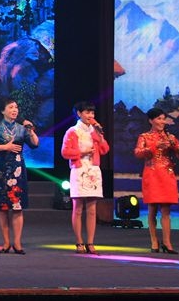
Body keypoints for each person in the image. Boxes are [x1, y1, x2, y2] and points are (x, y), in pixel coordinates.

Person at [0, 97, 39, 255]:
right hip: (1, 170)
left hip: (18, 170)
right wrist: (5, 147)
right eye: (11, 107)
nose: (14, 110)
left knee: (17, 207)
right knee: (3, 208)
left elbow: (35, 144)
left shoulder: (22, 128)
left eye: (16, 107)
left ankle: (17, 243)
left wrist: (31, 130)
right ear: (3, 111)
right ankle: (6, 242)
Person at [133, 107, 179, 254]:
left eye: (163, 119)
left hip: (167, 174)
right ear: (151, 120)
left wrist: (174, 146)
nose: (162, 122)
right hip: (152, 174)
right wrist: (153, 147)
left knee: (166, 210)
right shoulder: (144, 137)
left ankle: (167, 243)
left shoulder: (170, 137)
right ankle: (154, 241)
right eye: (159, 119)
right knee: (152, 209)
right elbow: (138, 153)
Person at [60, 101, 110, 255]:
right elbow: (65, 152)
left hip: (93, 170)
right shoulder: (72, 131)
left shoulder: (95, 131)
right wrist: (82, 153)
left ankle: (90, 242)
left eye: (92, 113)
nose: (91, 115)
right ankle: (79, 242)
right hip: (79, 169)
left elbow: (105, 149)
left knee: (92, 209)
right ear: (79, 113)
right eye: (87, 112)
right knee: (78, 208)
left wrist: (100, 135)